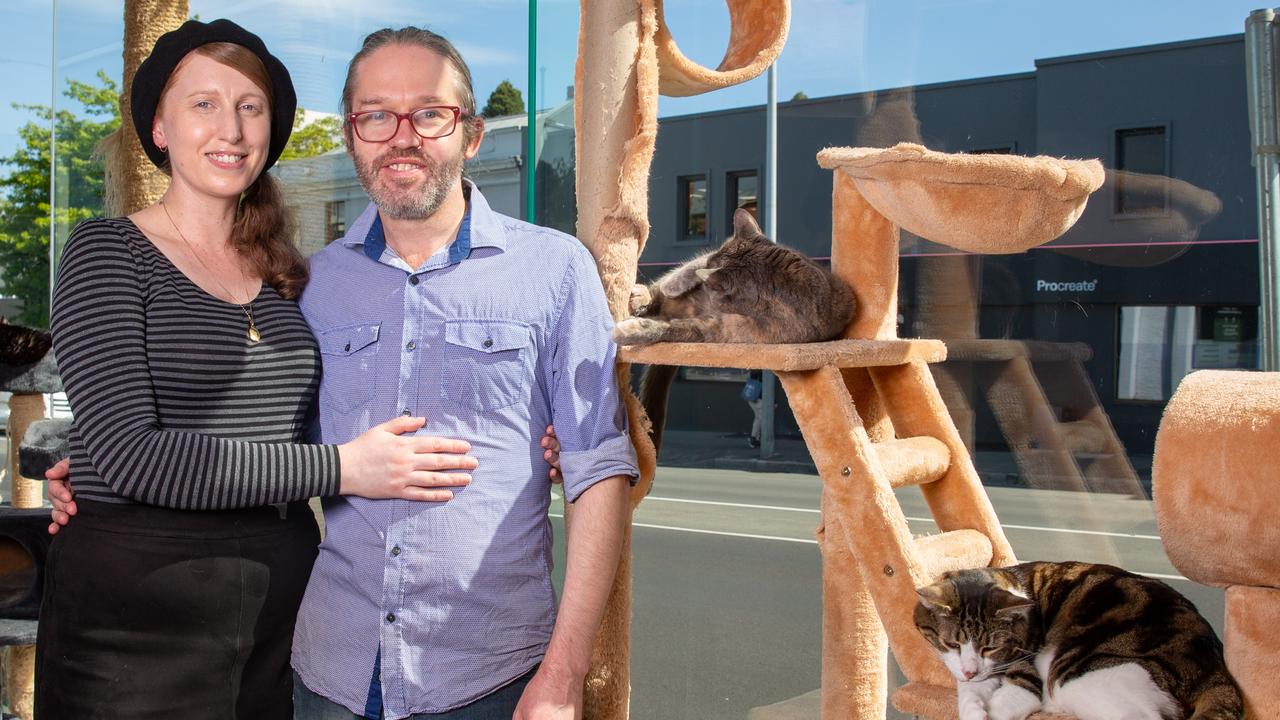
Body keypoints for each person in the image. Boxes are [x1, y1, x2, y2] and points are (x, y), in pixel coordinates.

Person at [49, 24, 637, 720]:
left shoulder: (548, 268)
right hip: (299, 665)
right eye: (376, 116)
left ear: (471, 134)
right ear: (352, 136)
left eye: (430, 113)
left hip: (456, 671)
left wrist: (564, 673)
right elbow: (179, 437)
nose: (401, 135)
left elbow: (598, 461)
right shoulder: (310, 283)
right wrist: (83, 458)